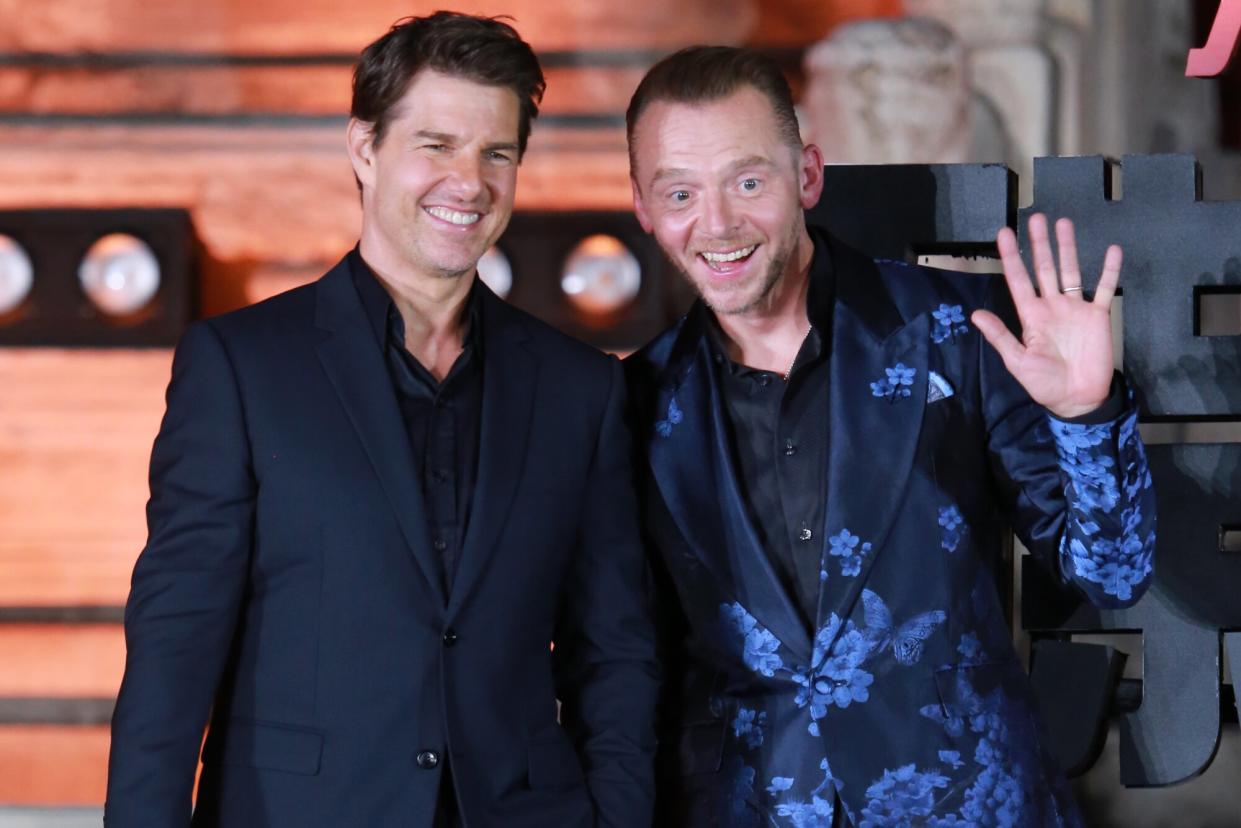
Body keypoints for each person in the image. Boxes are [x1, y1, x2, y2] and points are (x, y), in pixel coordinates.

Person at [105, 12, 658, 827]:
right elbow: (176, 639)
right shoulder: (241, 367)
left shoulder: (582, 388)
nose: (468, 182)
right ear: (365, 148)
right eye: (435, 144)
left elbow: (613, 650)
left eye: (495, 152)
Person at [623, 46, 1154, 827]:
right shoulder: (635, 401)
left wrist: (1086, 415)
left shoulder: (958, 331)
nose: (717, 224)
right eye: (678, 192)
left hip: (967, 803)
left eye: (746, 181)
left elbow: (1113, 576)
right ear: (641, 206)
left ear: (805, 175)